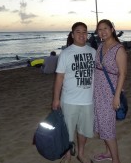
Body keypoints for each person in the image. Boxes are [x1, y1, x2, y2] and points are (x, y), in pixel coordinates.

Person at [52, 22, 96, 163]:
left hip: (88, 100)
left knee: (84, 131)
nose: (82, 35)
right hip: (69, 100)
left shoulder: (93, 52)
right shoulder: (66, 53)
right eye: (78, 32)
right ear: (72, 35)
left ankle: (81, 153)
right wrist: (56, 99)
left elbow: (99, 74)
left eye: (84, 32)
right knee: (68, 132)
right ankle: (67, 155)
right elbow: (59, 77)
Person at [93, 19, 127, 163]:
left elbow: (123, 74)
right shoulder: (100, 47)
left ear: (112, 29)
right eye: (99, 29)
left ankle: (116, 160)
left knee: (107, 127)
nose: (102, 32)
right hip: (97, 91)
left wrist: (117, 96)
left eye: (105, 28)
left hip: (110, 93)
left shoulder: (119, 49)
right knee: (101, 123)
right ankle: (108, 152)